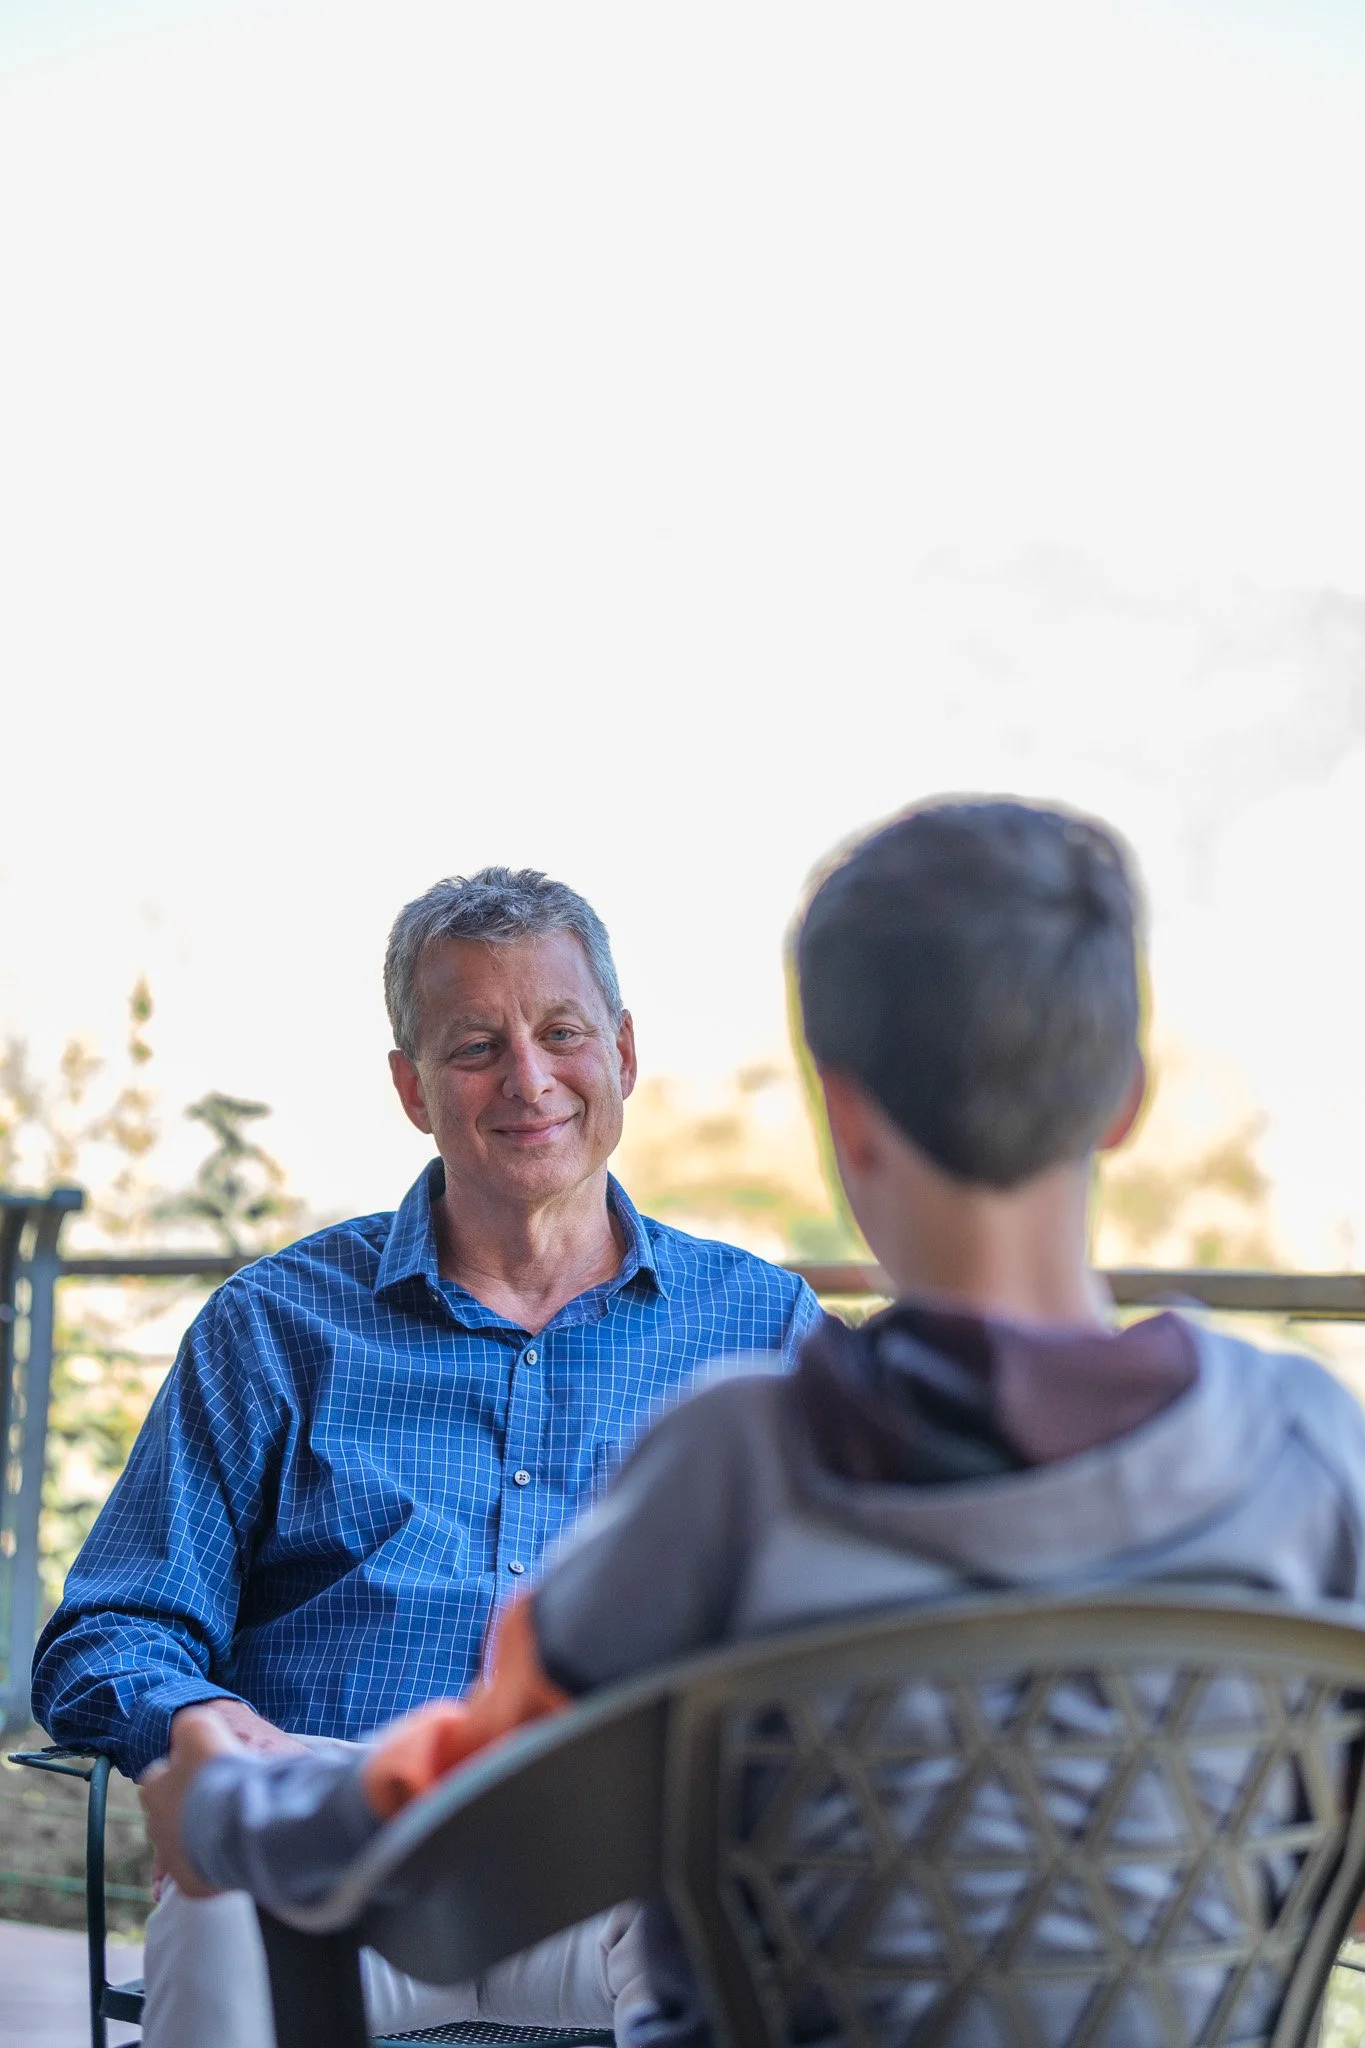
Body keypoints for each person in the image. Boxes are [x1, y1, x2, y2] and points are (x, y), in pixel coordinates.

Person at [142, 800, 1365, 2046]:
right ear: (1126, 1098)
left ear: (843, 1110)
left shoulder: (749, 1462)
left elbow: (471, 1804)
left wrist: (227, 1810)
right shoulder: (1313, 1451)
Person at [33, 866, 822, 2047]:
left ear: (623, 1050)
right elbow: (111, 1627)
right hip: (333, 1841)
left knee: (716, 1922)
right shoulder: (276, 1326)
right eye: (474, 1045)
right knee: (223, 1899)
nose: (529, 1078)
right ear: (411, 1087)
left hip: (609, 1850)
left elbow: (852, 1626)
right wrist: (201, 1720)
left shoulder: (762, 1329)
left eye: (561, 1031)